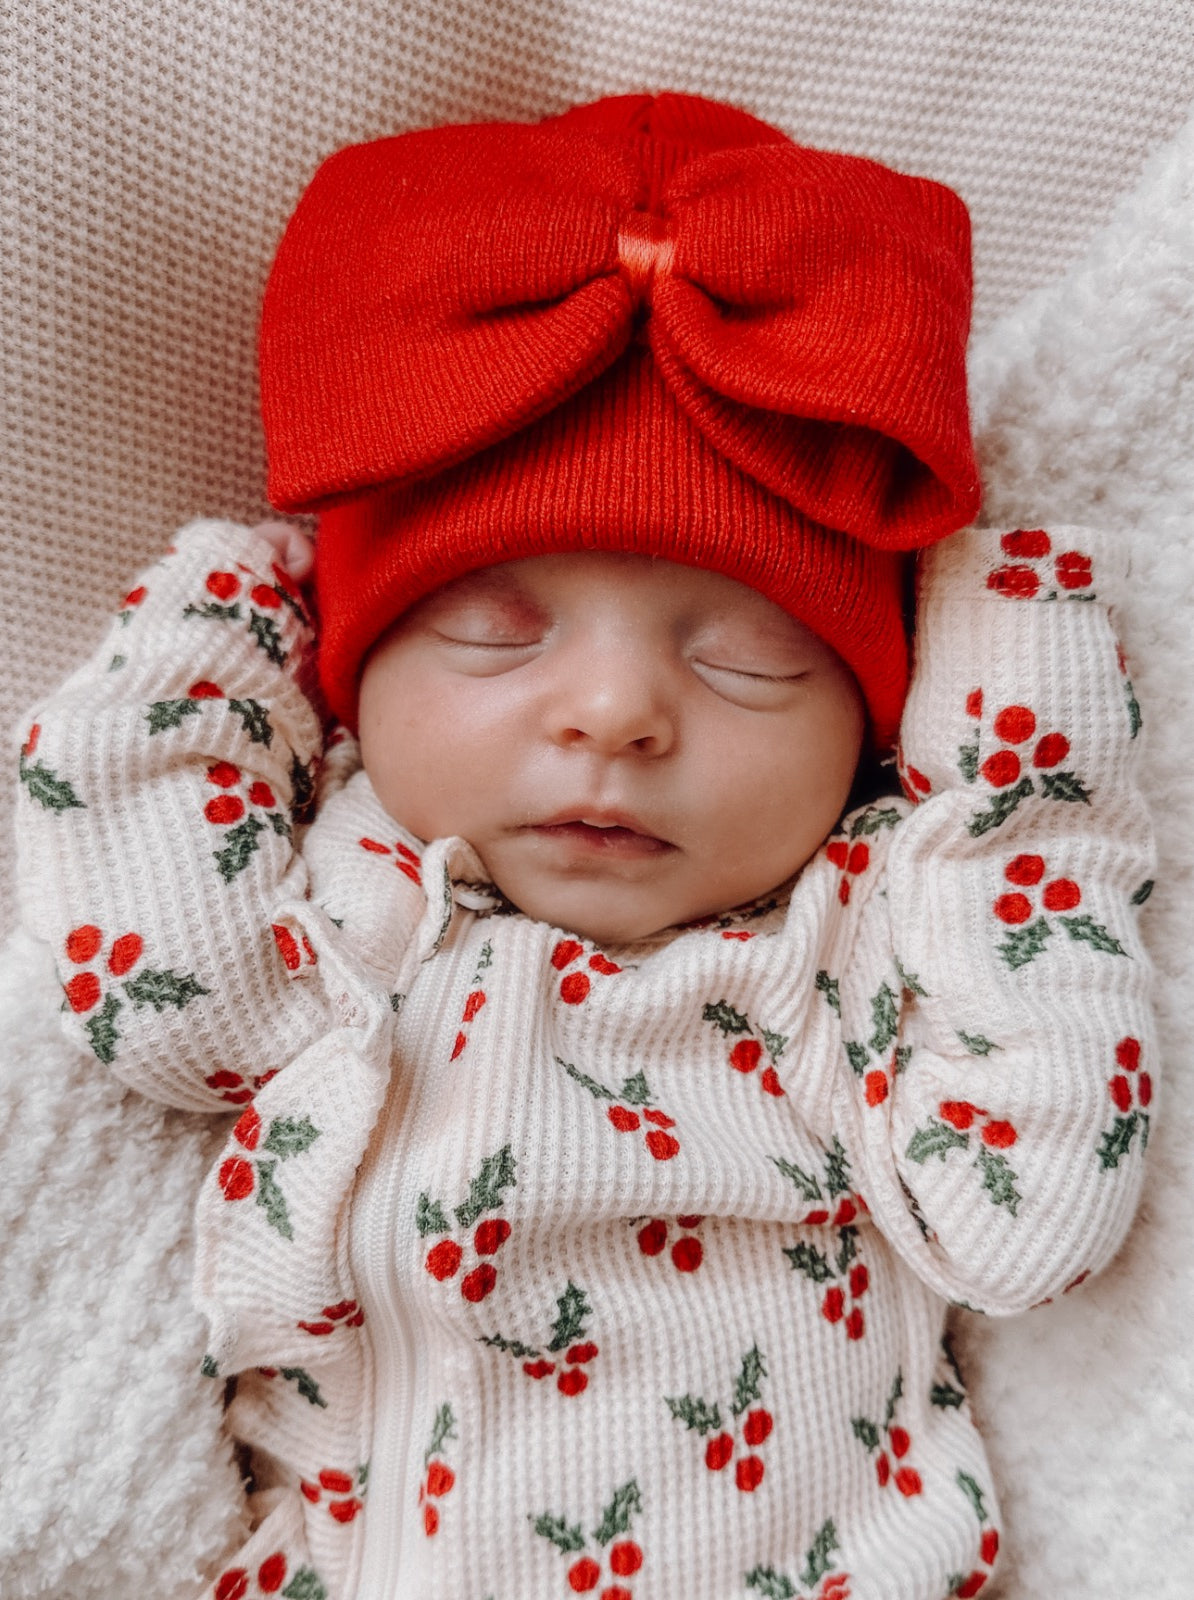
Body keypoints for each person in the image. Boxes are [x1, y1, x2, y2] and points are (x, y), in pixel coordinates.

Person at [14, 93, 1155, 1600]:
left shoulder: (854, 944)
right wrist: (238, 605)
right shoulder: (352, 912)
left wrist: (1020, 799)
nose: (615, 713)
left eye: (749, 658)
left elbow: (1036, 1222)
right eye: (492, 629)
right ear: (350, 679)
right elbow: (152, 989)